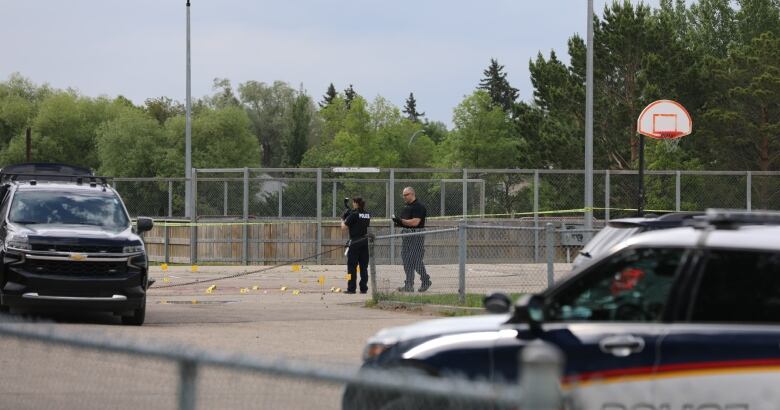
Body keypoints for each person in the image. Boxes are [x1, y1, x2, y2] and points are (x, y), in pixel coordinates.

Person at [392, 187, 430, 292]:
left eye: (406, 195)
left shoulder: (419, 207)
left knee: (415, 260)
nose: (404, 197)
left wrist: (401, 221)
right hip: (407, 236)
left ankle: (426, 280)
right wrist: (398, 222)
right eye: (403, 195)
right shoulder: (406, 207)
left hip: (416, 236)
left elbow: (415, 222)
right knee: (406, 260)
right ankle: (409, 284)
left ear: (412, 194)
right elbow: (405, 222)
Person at [341, 197, 371, 294]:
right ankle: (363, 288)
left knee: (351, 266)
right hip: (364, 241)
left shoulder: (354, 215)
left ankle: (351, 288)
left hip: (354, 242)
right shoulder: (367, 214)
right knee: (363, 266)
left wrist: (342, 218)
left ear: (355, 203)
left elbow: (344, 227)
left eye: (353, 203)